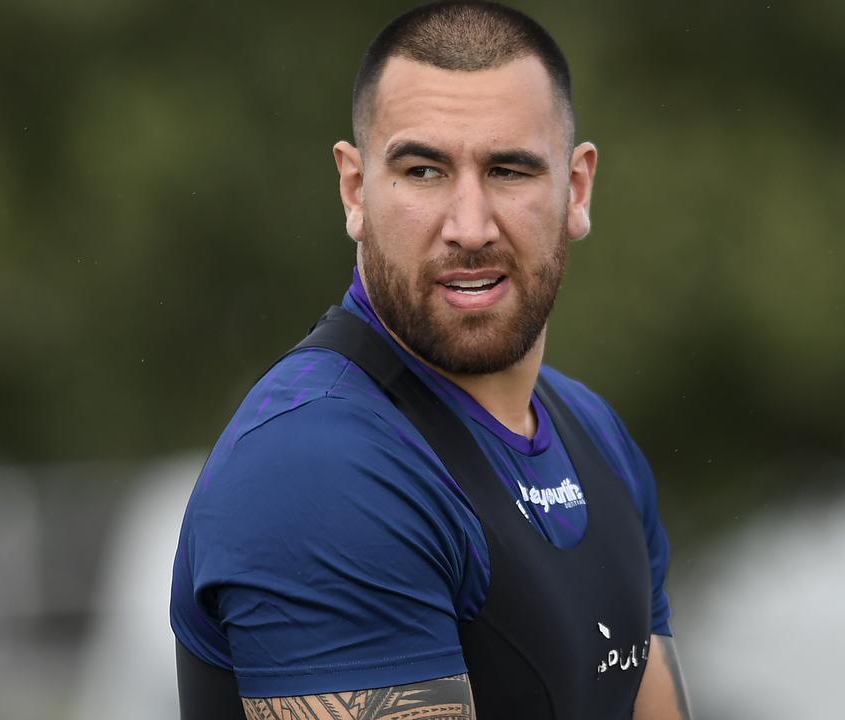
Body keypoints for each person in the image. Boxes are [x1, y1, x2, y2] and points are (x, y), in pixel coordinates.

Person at [171, 2, 691, 718]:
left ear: (576, 190)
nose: (469, 227)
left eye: (509, 171)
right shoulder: (316, 468)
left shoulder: (595, 435)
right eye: (423, 171)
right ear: (356, 191)